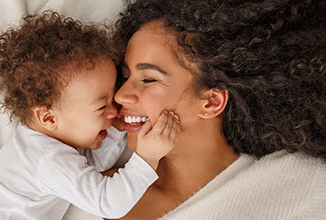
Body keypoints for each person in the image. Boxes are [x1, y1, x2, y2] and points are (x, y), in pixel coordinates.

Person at [0, 11, 181, 220]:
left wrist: (114, 131)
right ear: (48, 118)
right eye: (102, 107)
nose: (114, 111)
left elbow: (92, 169)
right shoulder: (46, 159)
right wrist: (147, 158)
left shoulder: (50, 143)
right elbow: (108, 203)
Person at [111, 0, 326, 219]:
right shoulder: (94, 186)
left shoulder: (302, 189)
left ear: (212, 101)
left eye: (148, 79)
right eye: (126, 77)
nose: (120, 95)